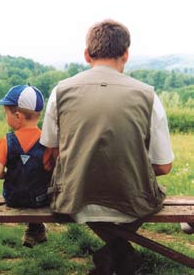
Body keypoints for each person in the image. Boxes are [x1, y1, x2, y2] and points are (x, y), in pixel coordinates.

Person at [40, 19, 174, 274]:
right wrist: (125, 168)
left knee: (86, 196)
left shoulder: (60, 92)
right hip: (132, 200)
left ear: (86, 54)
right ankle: (118, 253)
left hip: (74, 198)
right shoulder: (148, 95)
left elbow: (52, 153)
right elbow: (164, 166)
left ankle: (113, 255)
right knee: (147, 195)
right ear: (126, 54)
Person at [0, 84, 55, 248]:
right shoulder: (47, 142)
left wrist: (9, 175)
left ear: (17, 116)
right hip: (40, 200)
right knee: (38, 192)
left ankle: (35, 230)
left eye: (6, 113)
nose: (6, 116)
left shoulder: (7, 141)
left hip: (12, 198)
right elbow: (53, 170)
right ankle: (35, 229)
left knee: (23, 194)